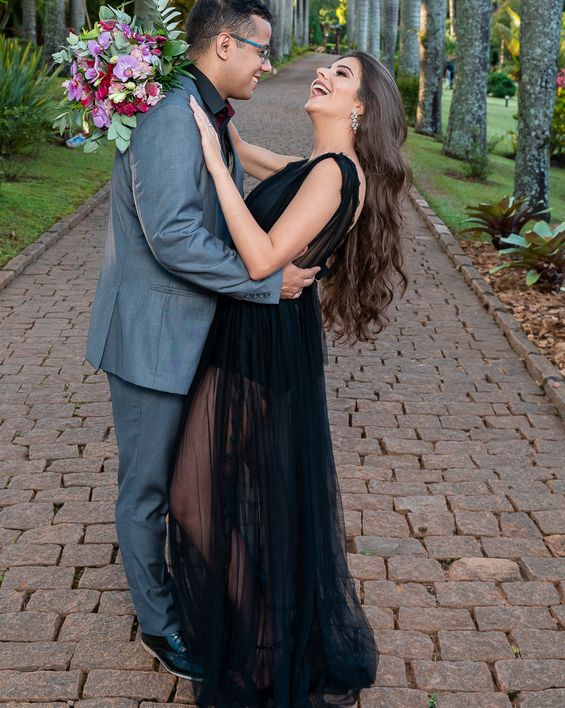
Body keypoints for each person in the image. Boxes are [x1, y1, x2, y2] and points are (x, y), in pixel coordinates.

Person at [84, 0, 319, 681]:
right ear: (224, 45)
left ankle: (197, 594)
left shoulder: (207, 112)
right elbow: (174, 238)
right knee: (149, 490)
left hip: (191, 333)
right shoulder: (166, 115)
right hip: (152, 342)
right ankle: (161, 627)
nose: (266, 65)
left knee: (194, 481)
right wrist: (263, 282)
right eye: (260, 50)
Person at [168, 49, 412, 708]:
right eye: (326, 65)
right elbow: (249, 154)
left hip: (262, 342)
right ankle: (267, 634)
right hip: (263, 335)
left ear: (360, 108)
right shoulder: (320, 168)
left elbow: (262, 258)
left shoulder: (336, 175)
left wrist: (214, 167)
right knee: (239, 494)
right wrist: (199, 105)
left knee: (198, 496)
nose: (325, 74)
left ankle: (268, 646)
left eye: (343, 75)